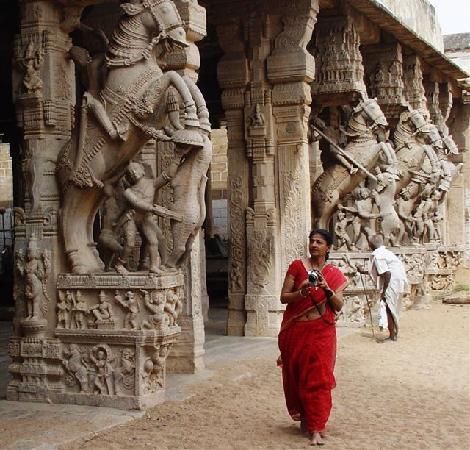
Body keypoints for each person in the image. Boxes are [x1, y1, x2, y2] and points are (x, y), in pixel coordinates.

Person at [278, 229, 348, 446]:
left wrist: (327, 289)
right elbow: (283, 298)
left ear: (328, 247)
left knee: (318, 379)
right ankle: (306, 418)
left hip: (321, 332)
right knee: (297, 376)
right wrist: (302, 291)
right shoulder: (297, 267)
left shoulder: (333, 273)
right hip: (297, 330)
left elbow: (338, 306)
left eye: (319, 242)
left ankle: (317, 427)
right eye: (311, 241)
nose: (314, 245)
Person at [368, 234, 408, 341]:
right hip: (399, 281)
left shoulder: (378, 255)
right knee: (393, 307)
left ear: (371, 244)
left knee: (389, 307)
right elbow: (381, 272)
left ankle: (392, 334)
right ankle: (393, 331)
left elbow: (387, 273)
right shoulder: (386, 253)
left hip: (392, 282)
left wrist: (384, 291)